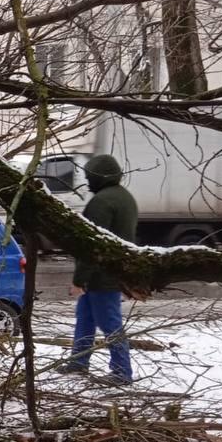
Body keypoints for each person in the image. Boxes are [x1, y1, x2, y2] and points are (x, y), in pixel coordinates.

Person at [61, 153, 138, 385]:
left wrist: (79, 279)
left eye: (89, 176)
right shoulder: (124, 197)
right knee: (85, 318)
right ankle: (79, 361)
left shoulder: (102, 202)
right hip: (109, 272)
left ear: (98, 177)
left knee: (110, 323)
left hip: (102, 277)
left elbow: (91, 246)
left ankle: (122, 372)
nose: (87, 181)